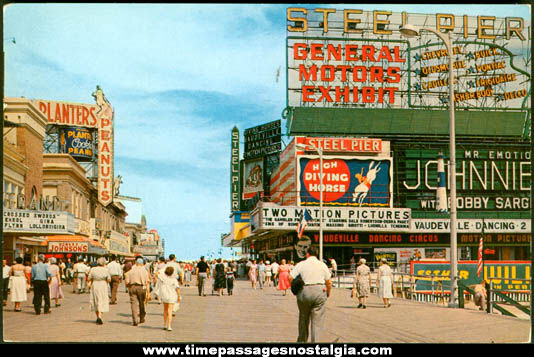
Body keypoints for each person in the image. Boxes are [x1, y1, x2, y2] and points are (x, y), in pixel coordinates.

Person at [288, 246, 332, 343]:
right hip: (319, 291)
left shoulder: (301, 264)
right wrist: (328, 293)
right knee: (317, 321)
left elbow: (290, 277)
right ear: (316, 254)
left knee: (303, 318)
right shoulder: (322, 265)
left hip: (304, 291)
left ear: (307, 254)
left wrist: (296, 288)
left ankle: (302, 342)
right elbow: (328, 282)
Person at [125, 257, 150, 326]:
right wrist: (148, 292)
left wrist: (128, 287)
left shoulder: (131, 270)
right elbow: (147, 282)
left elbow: (127, 282)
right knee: (141, 303)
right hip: (141, 288)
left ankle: (135, 320)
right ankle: (141, 318)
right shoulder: (144, 271)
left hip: (132, 287)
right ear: (142, 264)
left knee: (133, 304)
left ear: (136, 263)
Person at [88, 257, 111, 325]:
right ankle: (100, 316)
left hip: (95, 285)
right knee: (102, 300)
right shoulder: (106, 270)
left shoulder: (93, 269)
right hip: (103, 285)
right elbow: (109, 279)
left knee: (95, 300)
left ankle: (98, 316)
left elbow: (89, 278)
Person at [158, 266, 181, 331]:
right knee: (170, 311)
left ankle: (164, 324)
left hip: (165, 295)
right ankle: (169, 326)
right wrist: (179, 296)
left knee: (165, 310)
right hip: (172, 295)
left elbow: (157, 275)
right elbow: (177, 288)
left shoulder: (163, 278)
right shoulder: (174, 280)